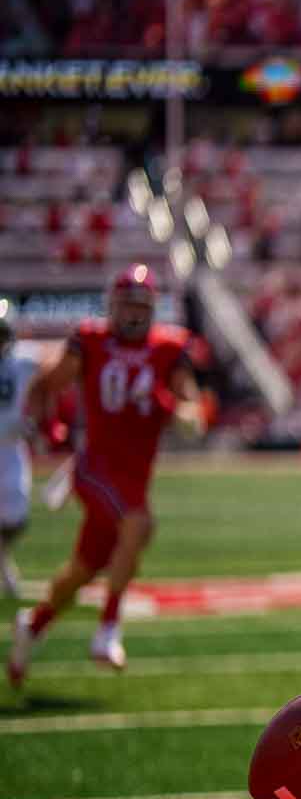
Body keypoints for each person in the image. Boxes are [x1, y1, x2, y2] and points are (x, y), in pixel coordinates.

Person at [8, 265, 205, 687]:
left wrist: (187, 415)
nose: (133, 313)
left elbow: (191, 403)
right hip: (94, 468)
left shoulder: (169, 348)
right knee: (139, 523)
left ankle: (33, 625)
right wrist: (49, 430)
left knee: (84, 568)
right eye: (127, 304)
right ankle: (108, 628)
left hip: (134, 476)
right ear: (112, 305)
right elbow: (47, 383)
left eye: (140, 305)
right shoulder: (92, 341)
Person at [0, 300, 35, 600]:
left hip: (12, 449)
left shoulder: (24, 361)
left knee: (16, 516)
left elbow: (52, 377)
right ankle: (4, 568)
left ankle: (2, 559)